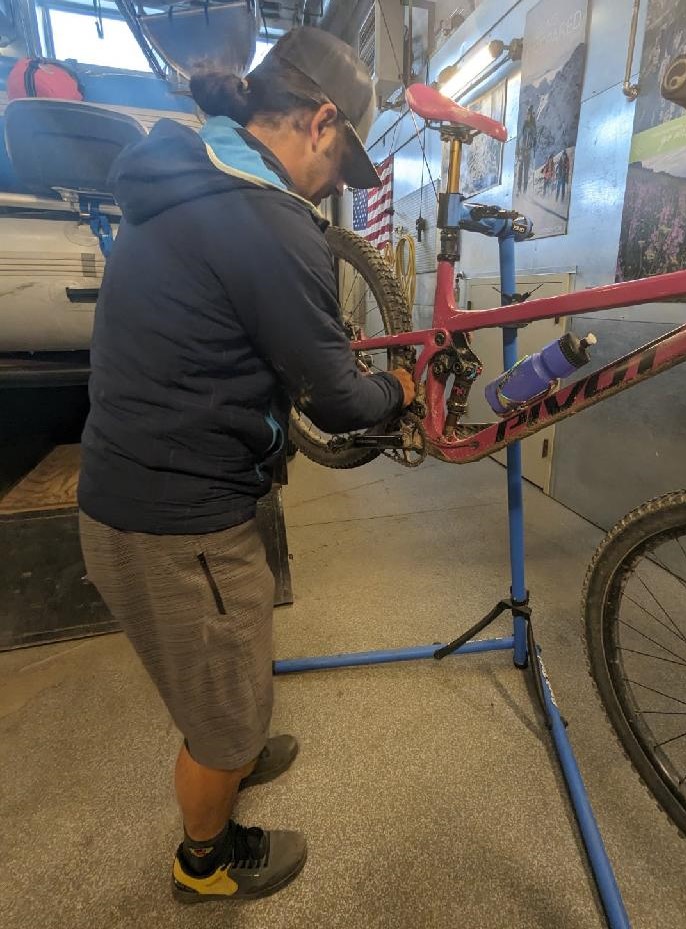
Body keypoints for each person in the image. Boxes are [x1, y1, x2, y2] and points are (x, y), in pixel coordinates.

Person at [78, 26, 415, 905]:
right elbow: (338, 399)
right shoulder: (266, 222)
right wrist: (399, 389)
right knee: (223, 711)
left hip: (143, 489)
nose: (334, 189)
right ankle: (208, 857)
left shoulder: (191, 180)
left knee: (227, 658)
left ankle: (228, 727)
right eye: (340, 167)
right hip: (175, 523)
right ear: (321, 121)